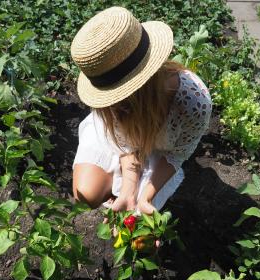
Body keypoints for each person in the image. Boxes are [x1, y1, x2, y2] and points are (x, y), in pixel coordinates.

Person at [71, 7, 212, 215]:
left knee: (139, 213)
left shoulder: (193, 103)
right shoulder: (113, 107)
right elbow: (126, 146)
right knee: (86, 195)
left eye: (117, 97)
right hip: (126, 145)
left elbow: (175, 155)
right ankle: (114, 187)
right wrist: (128, 191)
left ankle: (117, 188)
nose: (113, 105)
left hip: (160, 153)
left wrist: (144, 197)